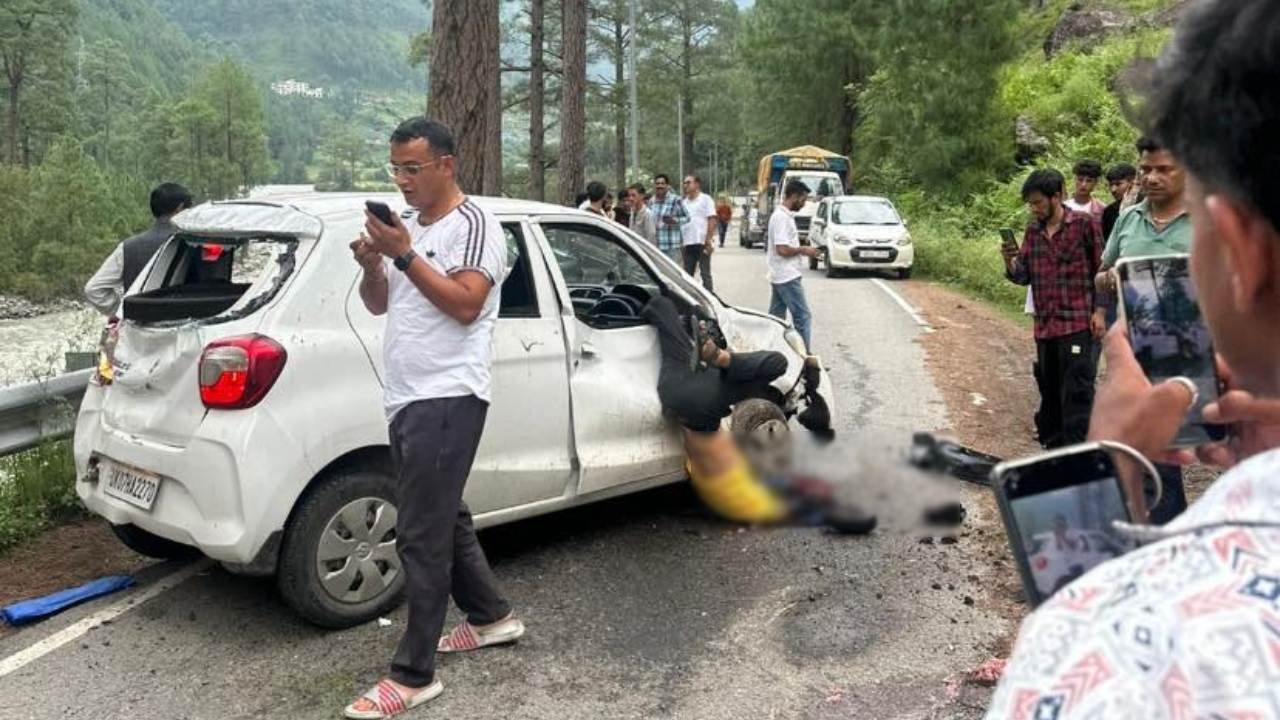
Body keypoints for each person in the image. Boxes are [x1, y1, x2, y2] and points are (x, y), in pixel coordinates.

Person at [987, 1, 1280, 716]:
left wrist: (1102, 482)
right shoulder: (1115, 226)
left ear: (1238, 248)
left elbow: (1083, 668)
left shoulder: (1129, 655)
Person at [345, 118, 523, 719]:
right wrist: (376, 265)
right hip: (406, 395)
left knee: (420, 533)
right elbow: (379, 304)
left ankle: (414, 675)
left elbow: (467, 305)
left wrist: (404, 254)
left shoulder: (475, 225)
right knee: (446, 517)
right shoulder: (410, 226)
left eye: (412, 168)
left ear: (446, 165)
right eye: (395, 168)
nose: (402, 180)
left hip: (448, 395)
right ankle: (493, 617)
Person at [640, 294, 877, 534]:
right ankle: (720, 357)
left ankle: (720, 357)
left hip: (692, 397)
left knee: (773, 364)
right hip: (693, 396)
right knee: (776, 363)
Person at [1092, 137, 1194, 523]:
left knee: (1168, 446)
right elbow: (1102, 271)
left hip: (1187, 351)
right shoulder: (1128, 219)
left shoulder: (1208, 223)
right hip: (1130, 351)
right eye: (1146, 169)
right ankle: (1146, 524)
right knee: (1134, 442)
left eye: (1163, 169)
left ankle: (1166, 527)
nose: (1151, 177)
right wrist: (1108, 280)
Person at [1002, 168, 1105, 449]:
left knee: (1077, 393)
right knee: (1050, 392)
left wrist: (1100, 312)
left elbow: (1102, 270)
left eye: (1038, 202)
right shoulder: (1033, 232)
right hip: (1045, 327)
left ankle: (1078, 454)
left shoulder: (1084, 225)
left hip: (1077, 323)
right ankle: (1054, 452)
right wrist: (1009, 260)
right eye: (1031, 204)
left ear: (1057, 196)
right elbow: (1023, 276)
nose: (1034, 208)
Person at [84, 183, 193, 316]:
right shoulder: (195, 244)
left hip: (136, 325)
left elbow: (93, 289)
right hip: (187, 324)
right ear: (180, 208)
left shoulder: (127, 247)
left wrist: (124, 311)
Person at [767, 179, 820, 351]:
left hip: (779, 274)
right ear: (794, 196)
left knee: (775, 318)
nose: (804, 204)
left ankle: (773, 351)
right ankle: (804, 358)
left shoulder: (783, 216)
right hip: (786, 276)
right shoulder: (781, 218)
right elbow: (782, 249)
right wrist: (804, 250)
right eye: (803, 199)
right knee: (802, 316)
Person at [680, 175, 717, 292]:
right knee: (687, 275)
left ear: (697, 184)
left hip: (702, 242)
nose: (685, 185)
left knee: (705, 274)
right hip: (687, 243)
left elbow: (712, 220)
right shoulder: (683, 203)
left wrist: (708, 240)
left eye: (688, 182)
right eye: (684, 183)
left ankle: (710, 297)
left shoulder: (706, 199)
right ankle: (689, 298)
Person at [649, 173, 688, 265]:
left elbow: (687, 217)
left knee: (673, 272)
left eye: (662, 183)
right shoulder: (651, 201)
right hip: (657, 246)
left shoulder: (676, 200)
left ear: (667, 185)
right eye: (657, 183)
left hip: (672, 246)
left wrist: (675, 221)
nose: (660, 186)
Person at [1101, 163, 1137, 241]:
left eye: (1118, 184)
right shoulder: (1109, 211)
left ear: (1132, 183)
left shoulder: (1146, 207)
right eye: (1111, 185)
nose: (1113, 190)